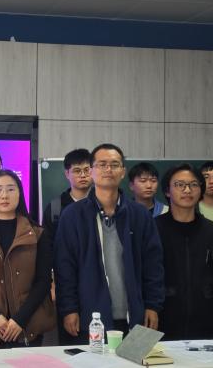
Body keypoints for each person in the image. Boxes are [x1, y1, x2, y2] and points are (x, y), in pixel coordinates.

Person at [54, 144, 164, 344]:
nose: (108, 170)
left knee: (133, 359)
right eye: (102, 164)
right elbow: (65, 267)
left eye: (114, 165)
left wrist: (153, 305)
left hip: (134, 315)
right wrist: (69, 308)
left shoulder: (139, 215)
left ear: (123, 171)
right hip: (91, 317)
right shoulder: (73, 216)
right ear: (91, 171)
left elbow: (153, 265)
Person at [0, 170, 55, 348]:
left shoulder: (37, 234)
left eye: (11, 189)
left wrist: (20, 319)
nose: (4, 195)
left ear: (20, 194)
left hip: (27, 324)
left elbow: (43, 281)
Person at [154, 164, 213, 340]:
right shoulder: (153, 229)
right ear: (167, 191)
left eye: (194, 184)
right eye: (179, 185)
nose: (187, 190)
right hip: (160, 321)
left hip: (203, 322)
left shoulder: (212, 231)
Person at [41, 148, 92, 247]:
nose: (83, 175)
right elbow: (47, 246)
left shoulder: (102, 203)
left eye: (87, 170)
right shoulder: (55, 208)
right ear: (67, 174)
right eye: (77, 171)